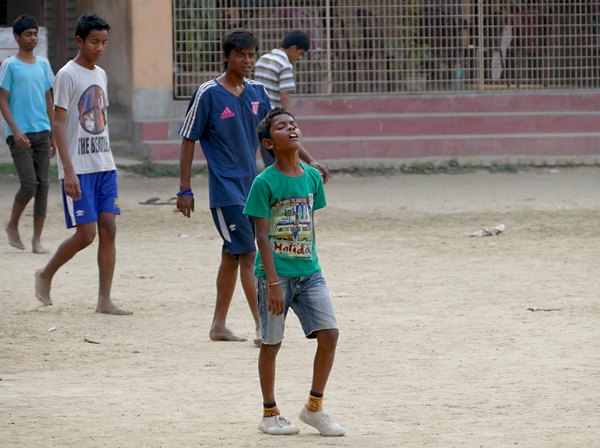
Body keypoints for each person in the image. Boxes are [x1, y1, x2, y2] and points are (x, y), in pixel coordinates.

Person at [177, 29, 326, 344]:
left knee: (231, 255)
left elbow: (279, 133)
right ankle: (262, 325)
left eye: (251, 55)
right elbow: (189, 139)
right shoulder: (207, 93)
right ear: (227, 56)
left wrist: (310, 161)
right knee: (248, 253)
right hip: (226, 190)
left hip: (254, 188)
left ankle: (218, 325)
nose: (247, 60)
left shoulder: (258, 91)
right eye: (240, 55)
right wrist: (184, 188)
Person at [243, 108, 345, 437]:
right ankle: (269, 413)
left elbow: (308, 222)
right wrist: (273, 282)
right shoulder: (264, 182)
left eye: (294, 124)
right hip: (276, 276)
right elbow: (261, 236)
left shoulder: (312, 177)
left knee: (329, 334)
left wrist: (310, 259)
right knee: (271, 343)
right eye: (281, 127)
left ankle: (314, 408)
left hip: (310, 272)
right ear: (268, 143)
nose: (291, 129)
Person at [34, 13, 131, 315]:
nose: (99, 48)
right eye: (94, 42)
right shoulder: (67, 74)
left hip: (104, 165)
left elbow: (99, 119)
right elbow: (58, 124)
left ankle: (104, 299)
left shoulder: (101, 74)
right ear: (79, 41)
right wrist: (68, 171)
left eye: (104, 42)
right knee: (86, 235)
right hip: (79, 169)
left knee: (109, 228)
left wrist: (108, 161)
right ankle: (46, 273)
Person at [0, 14, 56, 254]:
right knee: (29, 184)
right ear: (17, 37)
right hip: (19, 135)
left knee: (43, 185)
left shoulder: (43, 65)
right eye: (27, 34)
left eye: (35, 34)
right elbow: (2, 100)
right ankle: (12, 224)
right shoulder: (10, 66)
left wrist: (54, 134)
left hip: (42, 132)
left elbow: (49, 100)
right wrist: (15, 130)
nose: (32, 38)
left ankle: (36, 239)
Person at [254, 30, 310, 167]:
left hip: (260, 117)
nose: (298, 57)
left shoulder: (262, 59)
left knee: (269, 158)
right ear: (293, 48)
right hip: (276, 120)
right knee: (282, 162)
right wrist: (291, 123)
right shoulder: (284, 65)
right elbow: (285, 97)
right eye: (300, 53)